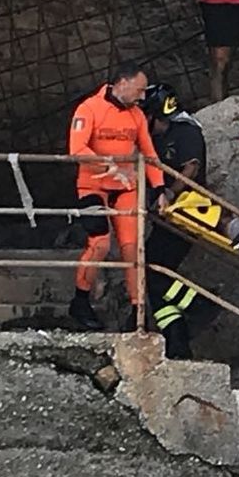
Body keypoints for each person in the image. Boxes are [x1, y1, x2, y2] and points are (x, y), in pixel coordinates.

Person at [69, 62, 165, 331]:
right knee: (99, 243)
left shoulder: (136, 115)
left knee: (132, 250)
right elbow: (77, 149)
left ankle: (138, 312)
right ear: (122, 83)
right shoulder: (88, 109)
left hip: (126, 189)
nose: (143, 97)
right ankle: (80, 300)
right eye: (140, 90)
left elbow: (149, 153)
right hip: (92, 187)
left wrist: (159, 188)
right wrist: (110, 165)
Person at [141, 83, 206, 358]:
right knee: (150, 276)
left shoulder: (187, 132)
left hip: (185, 213)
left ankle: (199, 306)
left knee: (153, 271)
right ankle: (177, 342)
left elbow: (191, 167)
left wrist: (169, 192)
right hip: (166, 216)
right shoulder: (156, 139)